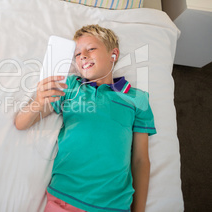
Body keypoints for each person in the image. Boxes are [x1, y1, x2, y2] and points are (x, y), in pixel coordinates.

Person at [15, 25, 156, 212]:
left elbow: (140, 160)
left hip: (114, 205)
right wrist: (39, 102)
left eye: (91, 49)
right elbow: (21, 123)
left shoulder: (137, 98)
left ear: (113, 55)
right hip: (65, 198)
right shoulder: (70, 86)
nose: (82, 56)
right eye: (77, 54)